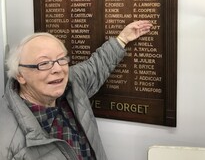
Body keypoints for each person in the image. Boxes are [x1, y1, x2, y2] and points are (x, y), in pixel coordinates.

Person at [0, 20, 152, 160]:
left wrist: (122, 39)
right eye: (44, 63)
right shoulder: (5, 136)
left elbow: (96, 66)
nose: (58, 69)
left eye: (61, 59)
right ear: (20, 75)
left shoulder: (72, 81)